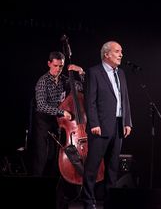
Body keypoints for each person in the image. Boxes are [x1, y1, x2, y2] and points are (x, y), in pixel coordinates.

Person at [28, 51, 85, 209]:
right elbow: (41, 105)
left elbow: (80, 89)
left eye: (61, 67)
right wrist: (62, 112)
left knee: (56, 162)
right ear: (49, 64)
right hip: (43, 123)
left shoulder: (65, 81)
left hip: (58, 124)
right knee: (42, 159)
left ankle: (56, 200)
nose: (58, 69)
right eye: (55, 66)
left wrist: (80, 72)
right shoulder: (42, 81)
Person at [82, 41, 133, 209]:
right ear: (107, 54)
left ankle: (109, 202)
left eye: (121, 51)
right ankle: (89, 202)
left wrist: (127, 122)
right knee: (93, 168)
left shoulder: (121, 74)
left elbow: (124, 99)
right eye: (117, 51)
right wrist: (94, 123)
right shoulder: (94, 72)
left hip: (118, 127)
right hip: (101, 127)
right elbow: (90, 101)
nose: (121, 54)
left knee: (112, 168)